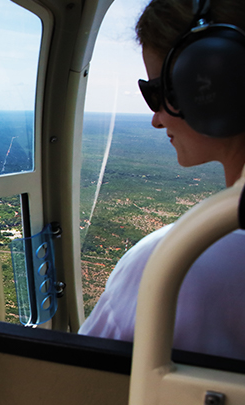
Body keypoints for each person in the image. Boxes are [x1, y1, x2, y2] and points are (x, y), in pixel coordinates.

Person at [79, 0, 245, 360]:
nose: (156, 119)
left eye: (160, 93)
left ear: (217, 80)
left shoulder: (169, 266)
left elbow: (75, 391)